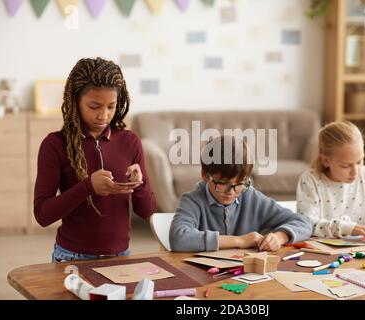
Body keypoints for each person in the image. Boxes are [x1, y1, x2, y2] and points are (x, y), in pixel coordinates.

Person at [34, 57, 156, 262]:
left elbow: (146, 211)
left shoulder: (130, 141)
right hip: (71, 257)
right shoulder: (54, 145)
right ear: (75, 101)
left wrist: (140, 184)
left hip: (120, 256)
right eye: (94, 106)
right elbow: (42, 215)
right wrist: (88, 186)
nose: (104, 115)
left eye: (111, 106)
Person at [169, 135, 313, 252]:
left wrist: (280, 237)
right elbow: (178, 238)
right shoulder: (193, 200)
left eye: (239, 184)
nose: (231, 192)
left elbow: (304, 223)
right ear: (205, 175)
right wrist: (240, 241)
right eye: (223, 183)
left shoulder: (251, 197)